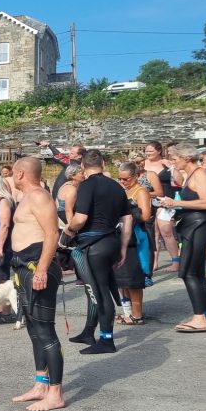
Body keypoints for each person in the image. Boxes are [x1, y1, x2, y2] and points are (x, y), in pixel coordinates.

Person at [9, 157, 66, 411]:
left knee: (45, 331)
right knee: (34, 329)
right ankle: (41, 385)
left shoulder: (40, 196)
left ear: (21, 173)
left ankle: (56, 393)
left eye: (13, 172)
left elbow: (52, 233)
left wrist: (42, 269)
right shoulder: (27, 198)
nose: (12, 176)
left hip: (37, 267)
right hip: (24, 267)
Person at [64, 150, 131, 354]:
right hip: (111, 241)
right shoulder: (117, 186)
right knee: (93, 289)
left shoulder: (87, 185)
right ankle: (88, 332)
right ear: (103, 163)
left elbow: (80, 219)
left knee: (100, 292)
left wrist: (68, 230)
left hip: (93, 245)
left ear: (82, 166)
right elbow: (127, 219)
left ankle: (106, 340)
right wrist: (123, 248)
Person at [160, 143, 206, 333]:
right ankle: (204, 315)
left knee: (188, 272)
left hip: (198, 226)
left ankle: (199, 318)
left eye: (175, 158)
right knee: (196, 272)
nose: (172, 162)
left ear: (186, 158)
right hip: (193, 225)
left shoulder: (199, 174)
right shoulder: (191, 175)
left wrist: (176, 202)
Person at [116, 162, 153, 326]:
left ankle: (137, 315)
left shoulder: (141, 191)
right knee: (122, 278)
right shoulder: (123, 190)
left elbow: (145, 216)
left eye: (126, 179)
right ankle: (127, 313)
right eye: (120, 179)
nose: (123, 182)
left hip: (137, 237)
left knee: (133, 278)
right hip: (122, 235)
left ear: (136, 176)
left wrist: (129, 212)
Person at [145, 140, 181, 272]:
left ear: (159, 151)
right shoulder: (143, 163)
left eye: (151, 151)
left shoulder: (166, 163)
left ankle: (175, 261)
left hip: (165, 199)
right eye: (146, 151)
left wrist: (171, 167)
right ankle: (154, 262)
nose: (148, 153)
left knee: (166, 231)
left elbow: (180, 180)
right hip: (148, 199)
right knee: (153, 233)